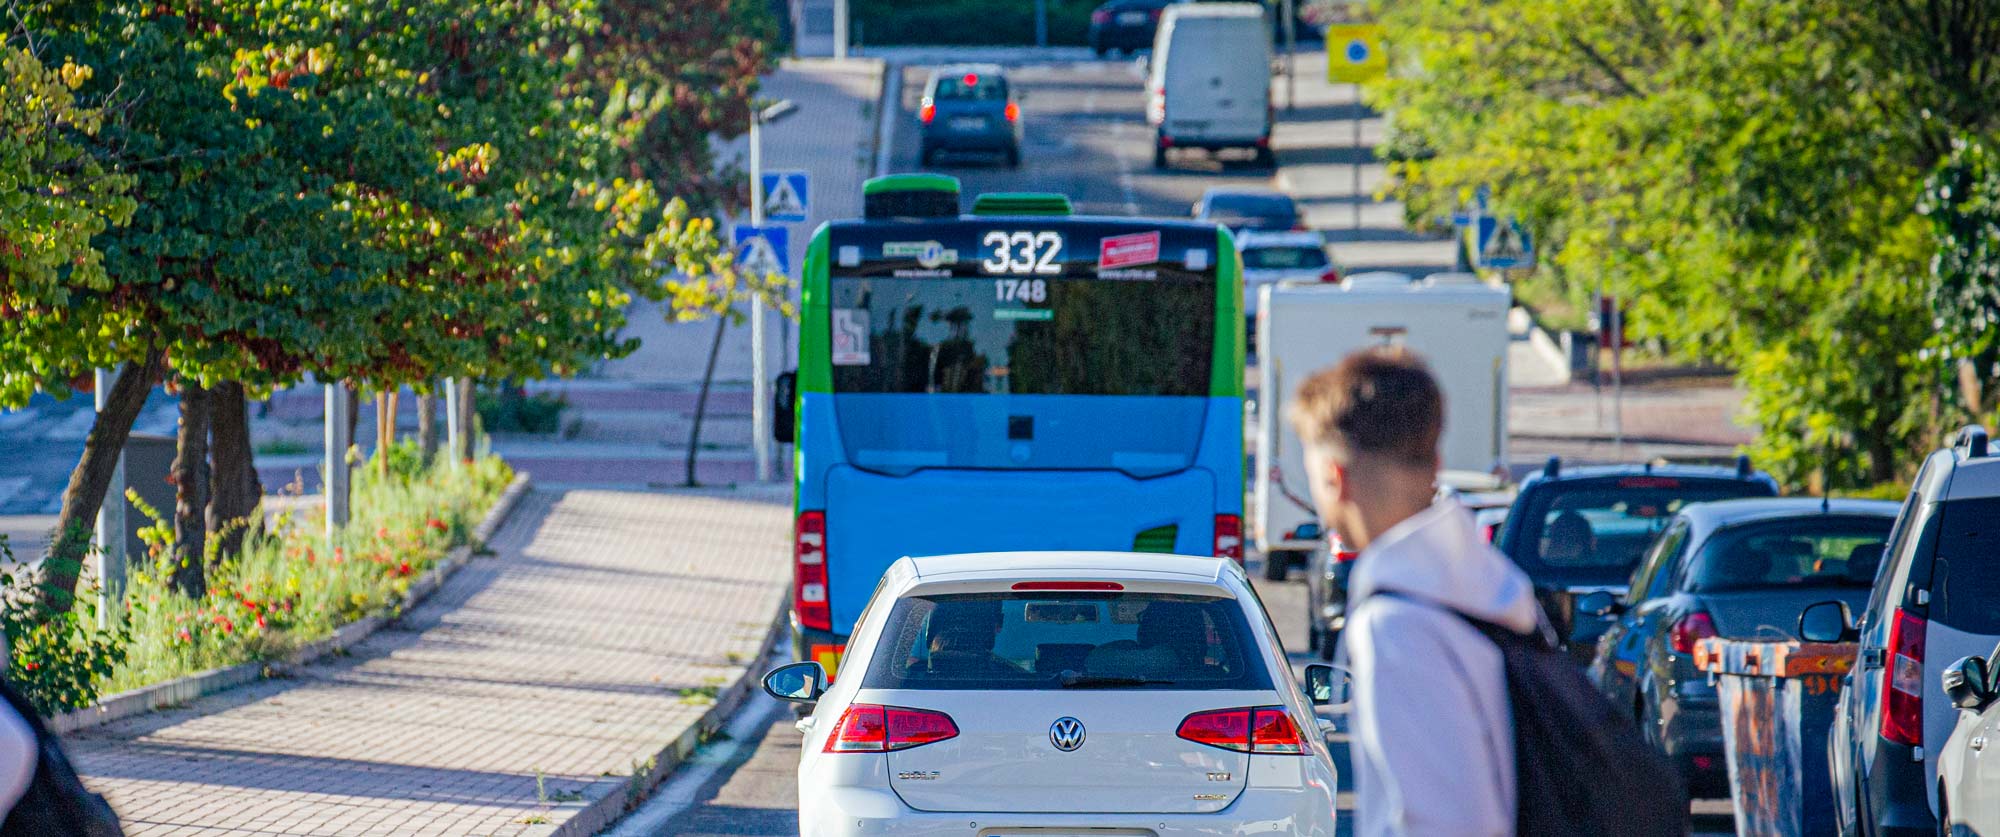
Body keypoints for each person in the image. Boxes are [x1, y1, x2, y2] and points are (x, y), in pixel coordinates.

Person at [1290, 347, 1541, 837]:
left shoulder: (1397, 626)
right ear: (1436, 461)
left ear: (1335, 479)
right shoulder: (1492, 583)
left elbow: (1443, 824)